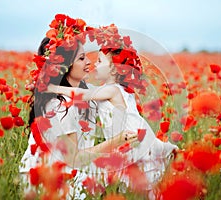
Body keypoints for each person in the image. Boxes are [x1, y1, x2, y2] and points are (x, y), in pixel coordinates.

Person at [19, 15, 138, 199]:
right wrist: (118, 140)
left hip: (71, 177)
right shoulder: (58, 106)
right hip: (45, 184)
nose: (89, 62)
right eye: (82, 58)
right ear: (65, 67)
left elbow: (115, 94)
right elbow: (74, 158)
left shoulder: (85, 94)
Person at [47, 27, 178, 191]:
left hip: (133, 140)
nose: (95, 63)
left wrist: (54, 88)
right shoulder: (112, 89)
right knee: (139, 186)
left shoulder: (113, 90)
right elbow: (86, 88)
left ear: (114, 69)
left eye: (100, 61)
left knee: (139, 185)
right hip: (129, 141)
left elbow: (81, 93)